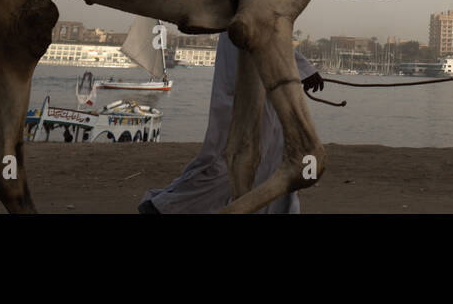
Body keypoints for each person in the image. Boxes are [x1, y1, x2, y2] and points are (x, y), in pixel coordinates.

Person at [138, 35, 324, 214]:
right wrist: (302, 69)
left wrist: (300, 69)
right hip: (251, 76)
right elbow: (264, 30)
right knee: (233, 159)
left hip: (261, 78)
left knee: (271, 154)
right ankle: (169, 206)